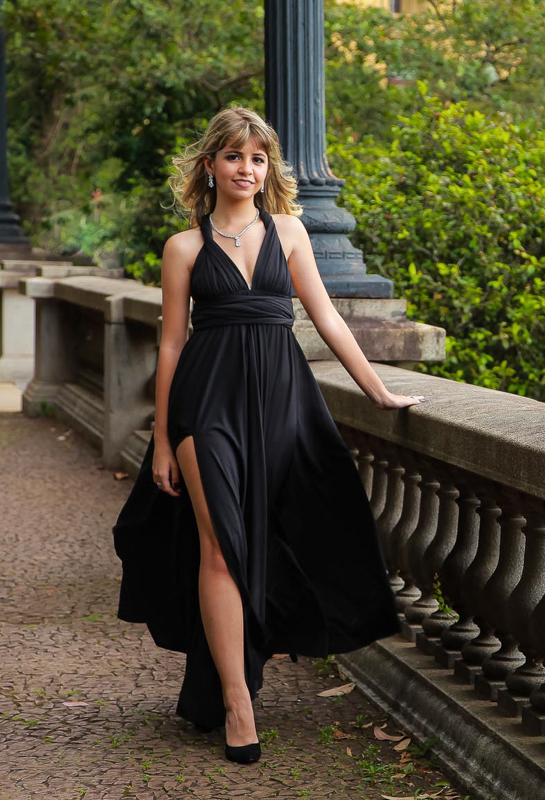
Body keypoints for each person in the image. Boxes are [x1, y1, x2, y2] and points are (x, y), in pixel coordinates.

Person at [111, 107, 425, 765]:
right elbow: (170, 347)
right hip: (206, 403)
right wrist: (164, 440)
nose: (246, 169)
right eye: (233, 156)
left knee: (271, 536)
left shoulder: (289, 230)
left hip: (281, 400)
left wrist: (380, 390)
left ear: (268, 168)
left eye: (257, 158)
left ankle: (234, 672)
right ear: (210, 166)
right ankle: (237, 703)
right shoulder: (183, 247)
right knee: (220, 546)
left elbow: (330, 322)